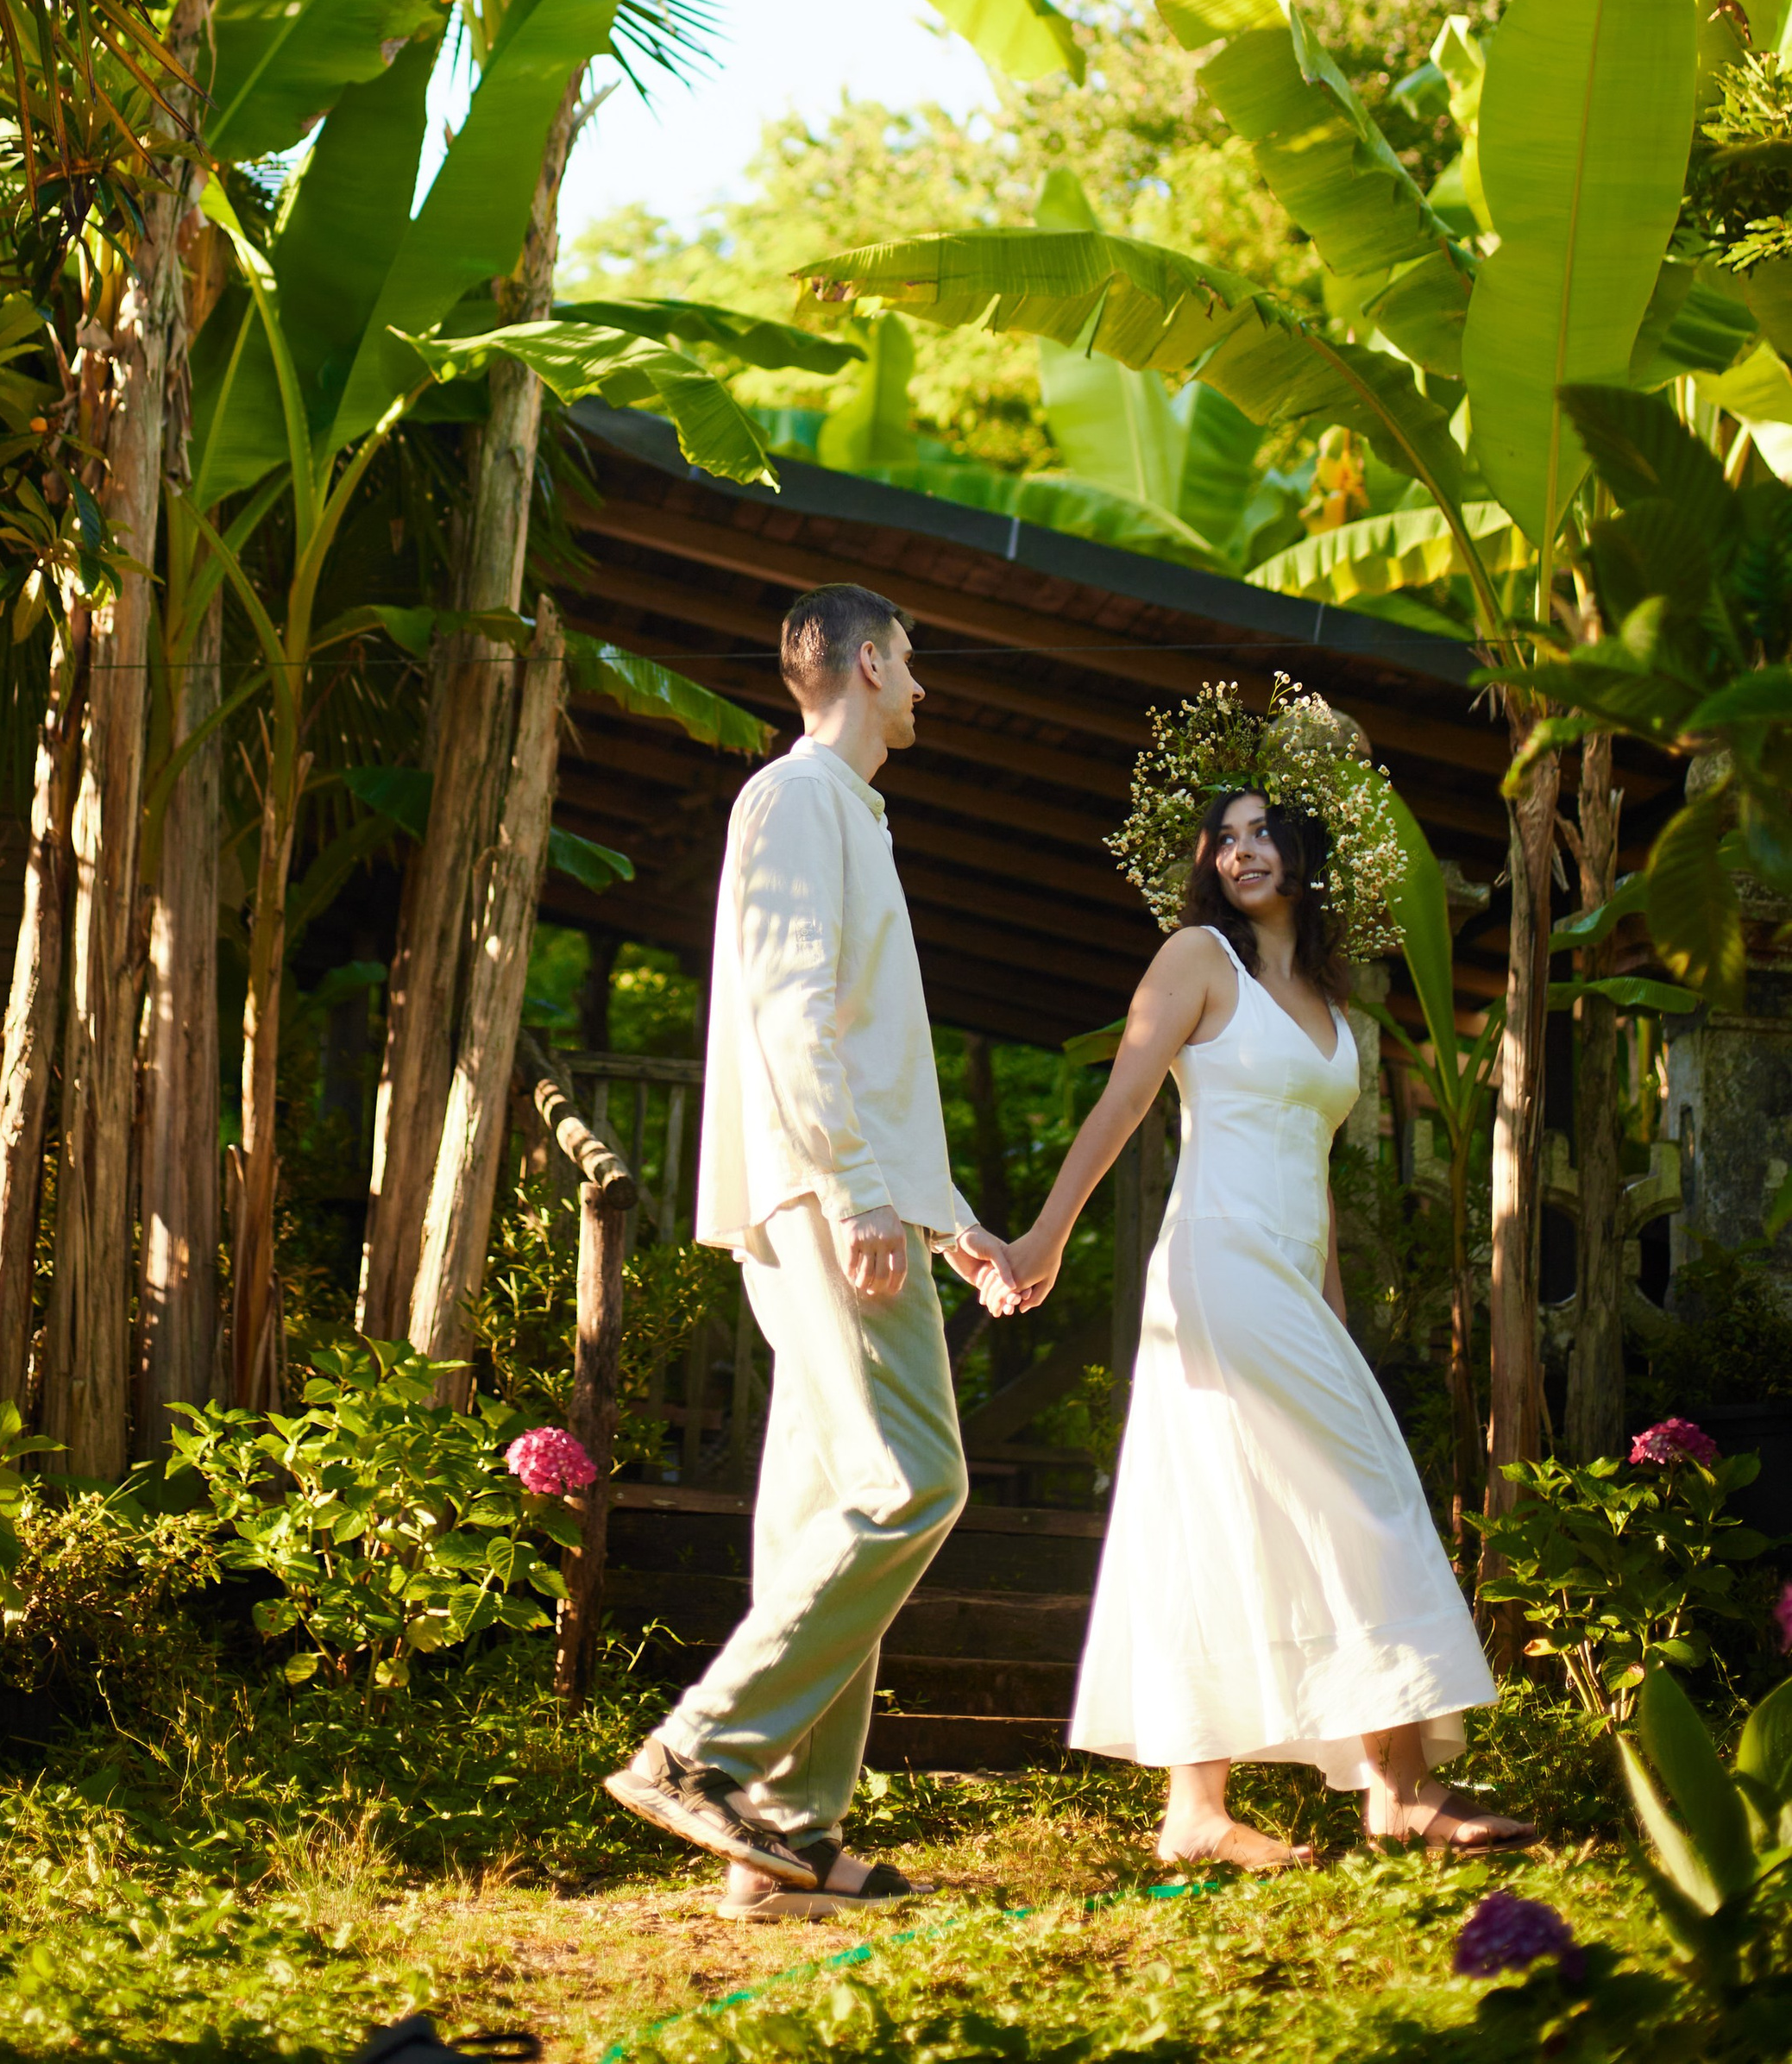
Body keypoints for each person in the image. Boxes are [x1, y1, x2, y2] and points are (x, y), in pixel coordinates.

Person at [983, 677, 1530, 1867]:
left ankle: (1199, 1811)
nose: (1240, 851)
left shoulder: (1337, 1008)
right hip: (1218, 1267)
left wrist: (1333, 1310)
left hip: (1291, 1283)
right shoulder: (1194, 961)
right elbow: (1124, 1102)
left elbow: (1319, 1173)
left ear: (1305, 852)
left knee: (1222, 1510)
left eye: (1262, 832)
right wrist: (1045, 1239)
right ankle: (1397, 1788)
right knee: (1370, 1494)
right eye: (1223, 837)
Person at [605, 582, 1016, 1918]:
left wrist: (945, 1223)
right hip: (818, 1196)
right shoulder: (795, 801)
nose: (925, 688)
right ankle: (701, 1753)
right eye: (914, 663)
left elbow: (872, 1056)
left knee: (818, 1511)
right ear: (871, 659)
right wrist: (852, 1196)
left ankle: (776, 1839)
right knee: (914, 1484)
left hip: (853, 1195)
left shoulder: (847, 813)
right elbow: (791, 1014)